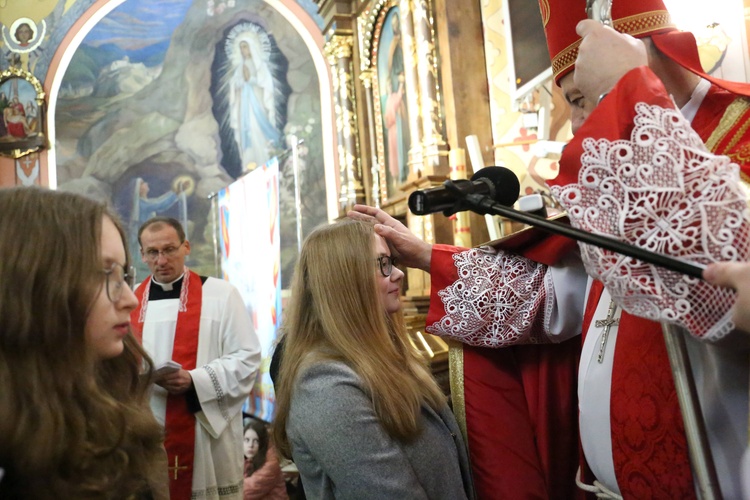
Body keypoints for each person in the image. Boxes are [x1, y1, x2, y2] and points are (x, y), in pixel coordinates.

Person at [352, 0, 750, 497]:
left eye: (585, 97)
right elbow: (556, 295)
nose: (580, 126)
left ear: (643, 55)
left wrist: (625, 93)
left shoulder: (734, 134)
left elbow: (714, 277)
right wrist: (422, 255)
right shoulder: (622, 159)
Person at [272, 220, 475, 499]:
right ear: (345, 280)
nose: (399, 274)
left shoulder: (378, 357)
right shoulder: (326, 388)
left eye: (392, 261)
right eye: (382, 264)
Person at [0, 187, 168, 498]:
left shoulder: (109, 408)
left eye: (123, 275)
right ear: (32, 286)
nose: (130, 300)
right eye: (105, 274)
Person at [132, 216, 262, 500]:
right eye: (152, 252)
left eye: (169, 249)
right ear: (142, 254)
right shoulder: (131, 300)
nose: (161, 259)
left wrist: (194, 380)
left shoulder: (221, 295)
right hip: (148, 430)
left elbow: (247, 357)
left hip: (203, 432)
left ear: (186, 247)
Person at [230, 37, 281, 170]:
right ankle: (250, 164)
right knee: (248, 131)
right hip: (245, 106)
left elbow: (266, 84)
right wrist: (241, 82)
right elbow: (235, 84)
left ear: (252, 47)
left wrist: (251, 79)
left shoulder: (259, 65)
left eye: (245, 46)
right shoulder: (240, 67)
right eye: (241, 47)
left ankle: (265, 160)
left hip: (258, 103)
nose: (243, 50)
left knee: (258, 129)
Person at [243, 418, 288, 500]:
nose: (250, 445)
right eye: (247, 440)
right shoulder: (250, 459)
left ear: (262, 442)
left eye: (256, 441)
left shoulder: (271, 462)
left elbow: (247, 491)